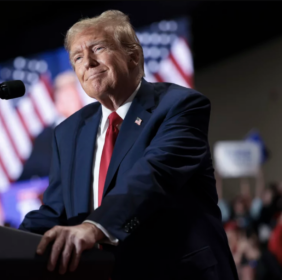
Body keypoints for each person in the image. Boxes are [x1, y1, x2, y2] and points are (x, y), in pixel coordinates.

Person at [19, 10, 239, 279]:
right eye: (77, 57)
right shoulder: (67, 132)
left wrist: (94, 227)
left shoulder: (180, 106)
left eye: (98, 48)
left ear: (133, 55)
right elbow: (55, 212)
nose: (87, 62)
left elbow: (152, 177)